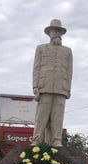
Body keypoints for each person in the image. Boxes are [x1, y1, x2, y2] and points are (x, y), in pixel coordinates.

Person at [32, 19, 73, 147]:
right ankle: (36, 140)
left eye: (59, 31)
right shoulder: (41, 48)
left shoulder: (67, 51)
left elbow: (69, 71)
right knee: (41, 117)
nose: (57, 33)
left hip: (61, 88)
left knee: (57, 118)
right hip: (45, 87)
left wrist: (68, 89)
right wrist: (35, 86)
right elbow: (36, 68)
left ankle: (56, 140)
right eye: (54, 31)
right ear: (49, 33)